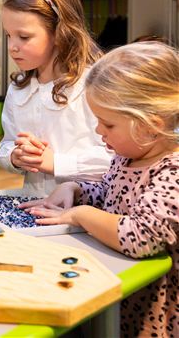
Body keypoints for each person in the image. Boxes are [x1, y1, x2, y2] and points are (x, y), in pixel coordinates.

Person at [21, 42, 179, 337]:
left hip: (152, 314)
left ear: (150, 126)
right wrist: (75, 189)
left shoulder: (172, 173)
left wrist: (81, 214)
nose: (98, 132)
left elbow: (139, 236)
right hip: (116, 294)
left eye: (107, 124)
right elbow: (109, 193)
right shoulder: (127, 157)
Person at [0, 0, 112, 197]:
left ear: (59, 32)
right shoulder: (18, 88)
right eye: (8, 35)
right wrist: (15, 157)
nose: (12, 46)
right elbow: (6, 145)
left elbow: (116, 158)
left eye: (24, 37)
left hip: (86, 209)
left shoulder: (93, 84)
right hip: (33, 205)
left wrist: (56, 162)